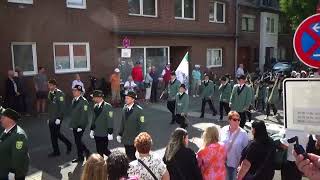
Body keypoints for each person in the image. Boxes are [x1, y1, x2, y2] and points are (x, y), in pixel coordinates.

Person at [0, 108, 29, 180]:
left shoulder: (18, 136)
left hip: (12, 173)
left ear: (10, 120)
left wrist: (12, 173)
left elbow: (18, 158)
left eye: (3, 118)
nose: (0, 120)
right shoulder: (7, 130)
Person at [117, 91, 145, 161]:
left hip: (134, 138)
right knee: (127, 154)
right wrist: (120, 134)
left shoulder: (139, 110)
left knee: (132, 155)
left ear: (133, 100)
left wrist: (141, 138)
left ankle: (135, 168)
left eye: (128, 98)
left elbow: (142, 126)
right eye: (125, 98)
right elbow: (122, 122)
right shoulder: (124, 108)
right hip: (125, 137)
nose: (126, 100)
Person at [220, 111, 249, 180]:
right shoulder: (223, 129)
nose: (237, 122)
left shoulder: (243, 133)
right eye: (235, 119)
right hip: (223, 162)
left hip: (235, 164)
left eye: (239, 120)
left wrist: (242, 166)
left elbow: (246, 150)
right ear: (229, 120)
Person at [47, 79, 72, 157]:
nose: (49, 87)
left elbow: (62, 107)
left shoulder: (60, 94)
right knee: (52, 135)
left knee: (57, 133)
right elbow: (50, 107)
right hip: (51, 117)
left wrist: (59, 118)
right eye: (49, 85)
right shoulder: (50, 93)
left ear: (55, 85)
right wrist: (49, 118)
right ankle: (56, 151)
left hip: (58, 117)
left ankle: (68, 144)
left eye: (51, 85)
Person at [69, 85, 90, 163]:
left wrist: (81, 126)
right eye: (73, 91)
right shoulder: (74, 100)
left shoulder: (84, 101)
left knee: (78, 140)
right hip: (75, 124)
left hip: (81, 125)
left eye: (75, 91)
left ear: (80, 92)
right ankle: (82, 155)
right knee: (77, 141)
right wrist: (71, 125)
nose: (73, 92)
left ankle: (83, 154)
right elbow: (73, 114)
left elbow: (84, 115)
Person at [90, 90, 114, 157]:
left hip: (104, 132)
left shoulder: (108, 106)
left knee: (104, 149)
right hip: (96, 132)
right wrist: (92, 129)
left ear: (99, 97)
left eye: (94, 97)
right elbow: (93, 119)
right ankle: (101, 165)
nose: (93, 99)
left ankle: (115, 159)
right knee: (98, 150)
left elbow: (110, 120)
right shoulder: (95, 106)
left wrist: (110, 132)